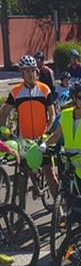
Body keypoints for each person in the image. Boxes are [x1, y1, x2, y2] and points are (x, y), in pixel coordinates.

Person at [0, 55, 58, 195]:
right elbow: (5, 112)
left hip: (42, 138)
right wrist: (4, 129)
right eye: (26, 71)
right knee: (23, 175)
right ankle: (20, 210)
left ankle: (60, 210)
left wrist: (46, 132)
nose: (30, 74)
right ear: (22, 73)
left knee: (50, 174)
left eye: (32, 70)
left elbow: (52, 115)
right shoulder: (16, 92)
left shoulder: (44, 90)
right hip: (24, 140)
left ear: (36, 72)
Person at [44, 80, 81, 199]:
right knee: (72, 198)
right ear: (74, 98)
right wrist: (44, 144)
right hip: (70, 162)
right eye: (80, 97)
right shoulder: (65, 114)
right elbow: (56, 135)